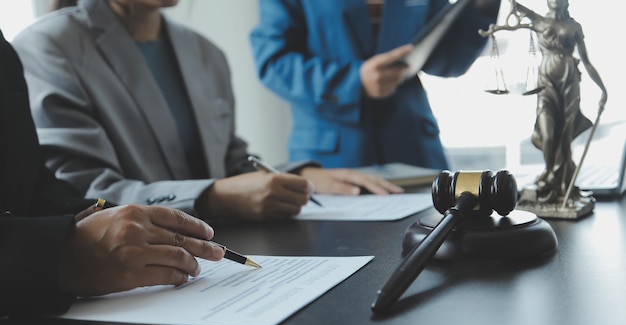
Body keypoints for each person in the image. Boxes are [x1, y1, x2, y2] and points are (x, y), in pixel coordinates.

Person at [12, 0, 402, 223]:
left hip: (220, 265)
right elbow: (81, 194)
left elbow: (230, 159)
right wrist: (211, 197)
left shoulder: (205, 52)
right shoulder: (49, 47)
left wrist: (297, 176)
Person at [0, 28, 226, 317]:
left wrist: (102, 219)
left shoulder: (202, 48)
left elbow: (30, 182)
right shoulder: (50, 45)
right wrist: (63, 253)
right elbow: (80, 176)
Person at [249, 0, 502, 169]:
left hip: (413, 146)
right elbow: (273, 62)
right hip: (331, 155)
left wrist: (481, 7)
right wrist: (353, 81)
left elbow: (448, 62)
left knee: (437, 241)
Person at [480, 0, 607, 202]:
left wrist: (603, 89)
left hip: (569, 83)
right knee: (547, 134)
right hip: (545, 84)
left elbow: (587, 61)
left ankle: (561, 184)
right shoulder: (538, 21)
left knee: (565, 137)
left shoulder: (574, 27)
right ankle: (549, 175)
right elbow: (514, 5)